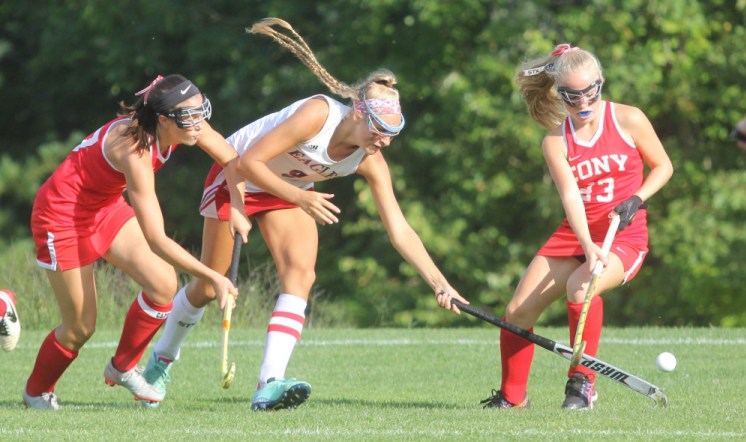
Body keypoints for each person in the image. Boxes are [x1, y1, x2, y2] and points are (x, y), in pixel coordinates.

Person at [144, 17, 468, 411]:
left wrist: (439, 282)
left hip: (289, 192)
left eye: (392, 133)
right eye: (379, 129)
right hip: (238, 179)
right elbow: (248, 163)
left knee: (301, 274)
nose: (384, 141)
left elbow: (399, 229)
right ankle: (161, 359)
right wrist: (300, 199)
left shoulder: (370, 160)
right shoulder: (318, 114)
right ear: (357, 114)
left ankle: (269, 383)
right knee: (210, 286)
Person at [24, 74, 250, 410]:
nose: (199, 124)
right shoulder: (134, 149)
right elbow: (156, 239)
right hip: (62, 217)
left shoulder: (183, 126)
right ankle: (36, 393)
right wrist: (213, 277)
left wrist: (238, 206)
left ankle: (122, 367)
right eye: (189, 117)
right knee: (80, 328)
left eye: (200, 112)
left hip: (103, 208)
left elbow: (232, 159)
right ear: (163, 120)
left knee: (162, 285)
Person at [479, 44, 673, 410]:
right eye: (571, 97)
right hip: (577, 233)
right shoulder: (555, 141)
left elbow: (663, 166)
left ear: (601, 83)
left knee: (580, 288)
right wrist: (587, 244)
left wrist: (638, 198)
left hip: (625, 237)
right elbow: (570, 197)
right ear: (559, 93)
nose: (583, 104)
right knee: (518, 310)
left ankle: (582, 383)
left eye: (590, 93)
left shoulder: (628, 119)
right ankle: (512, 398)